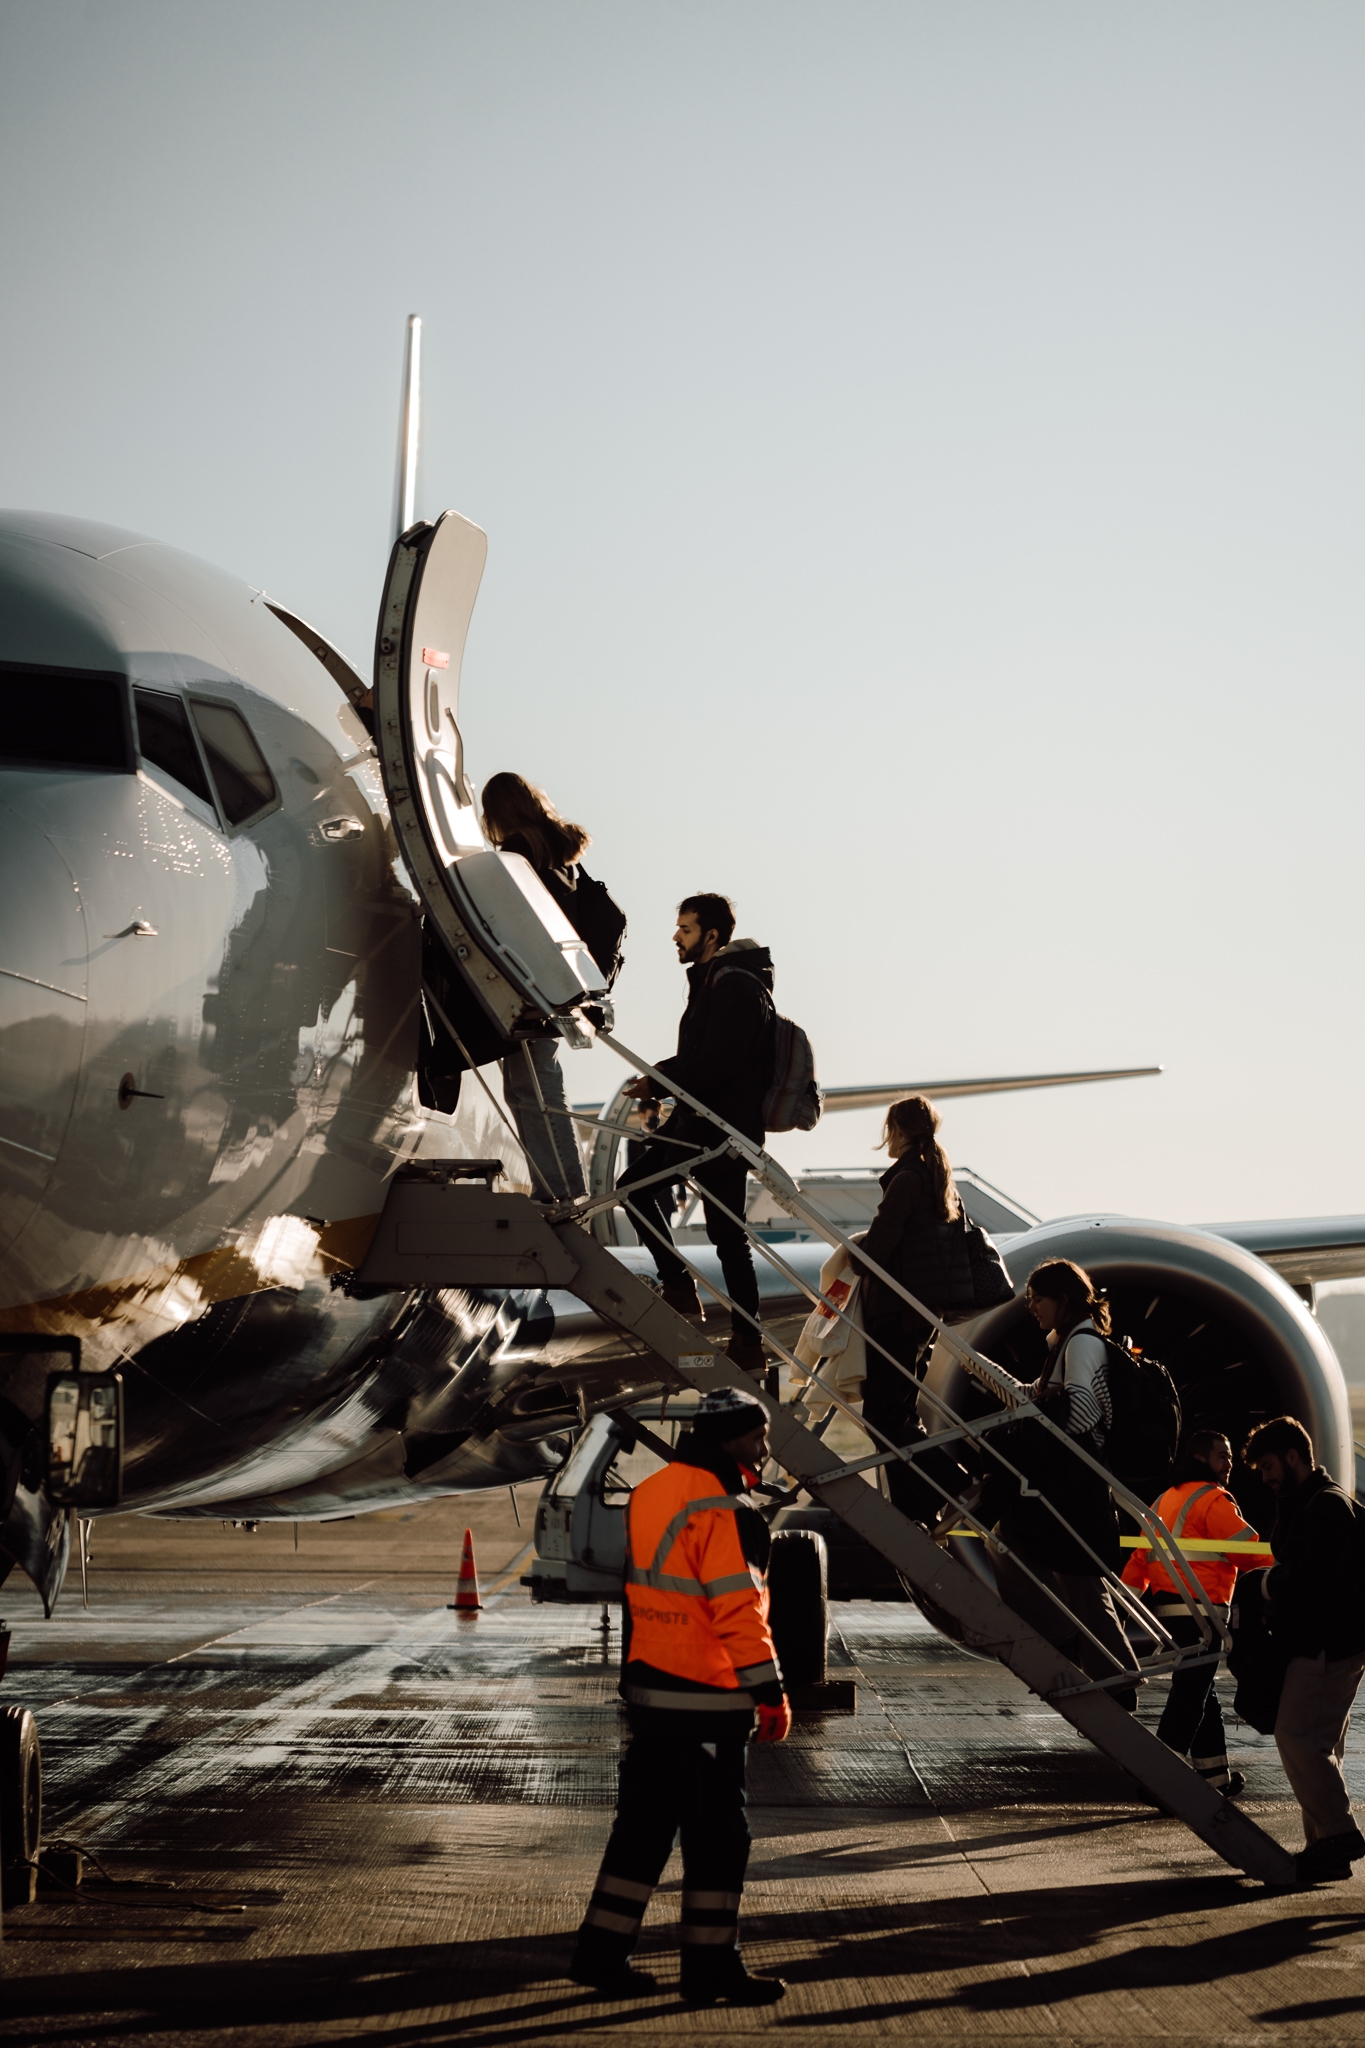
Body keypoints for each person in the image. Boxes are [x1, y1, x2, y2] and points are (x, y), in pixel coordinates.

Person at [570, 1387, 790, 2005]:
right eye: (756, 1439)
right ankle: (711, 1967)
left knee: (641, 1829)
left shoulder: (655, 1492)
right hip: (706, 1699)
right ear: (729, 1441)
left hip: (650, 1690)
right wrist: (769, 1690)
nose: (765, 1450)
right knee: (719, 1837)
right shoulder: (725, 1509)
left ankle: (600, 1954)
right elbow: (737, 1609)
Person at [617, 895, 775, 1373]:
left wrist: (658, 1081)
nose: (675, 937)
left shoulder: (734, 985)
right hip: (704, 1123)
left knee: (643, 1194)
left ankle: (696, 1302)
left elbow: (717, 1062)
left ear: (711, 935)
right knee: (723, 1235)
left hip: (716, 1129)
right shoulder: (716, 983)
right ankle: (735, 1332)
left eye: (684, 929)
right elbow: (708, 1059)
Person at [989, 1260, 1136, 1705]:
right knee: (1051, 1570)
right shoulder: (1066, 1344)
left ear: (1064, 1298)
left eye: (1037, 1297)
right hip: (1068, 1486)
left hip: (1077, 1488)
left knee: (1080, 1587)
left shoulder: (1084, 1344)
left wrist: (1043, 1404)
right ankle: (1101, 1668)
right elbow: (1051, 1404)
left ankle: (1117, 1682)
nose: (1030, 1306)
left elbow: (1081, 1415)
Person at [822, 1095, 961, 1522]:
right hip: (922, 1316)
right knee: (896, 1414)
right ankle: (917, 1507)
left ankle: (955, 1482)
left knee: (883, 1416)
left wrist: (851, 1254)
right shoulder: (938, 1180)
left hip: (898, 1316)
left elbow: (880, 1246)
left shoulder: (907, 1179)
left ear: (895, 1131)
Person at [480, 772, 614, 1203]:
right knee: (540, 1085)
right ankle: (560, 1183)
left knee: (530, 1089)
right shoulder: (560, 851)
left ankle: (558, 1186)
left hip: (530, 985)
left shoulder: (519, 850)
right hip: (559, 984)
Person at [1244, 1415, 1365, 1882]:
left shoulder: (1325, 1506)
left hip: (1327, 1646)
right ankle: (1325, 1849)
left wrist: (1268, 1587)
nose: (1266, 1476)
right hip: (1332, 1643)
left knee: (1293, 1733)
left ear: (1294, 1457)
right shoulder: (1308, 1502)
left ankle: (1337, 1834)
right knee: (1318, 1744)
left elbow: (1318, 1579)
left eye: (1270, 1465)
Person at [1122, 1429, 1260, 1794]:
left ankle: (1216, 1777)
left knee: (1201, 1691)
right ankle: (1158, 1778)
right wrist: (1290, 1561)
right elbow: (1248, 1552)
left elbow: (1140, 1559)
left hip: (1170, 1612)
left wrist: (1122, 1608)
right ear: (1201, 1459)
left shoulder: (1164, 1500)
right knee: (1190, 1695)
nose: (1230, 1463)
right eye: (1222, 1456)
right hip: (1204, 1613)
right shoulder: (1213, 1500)